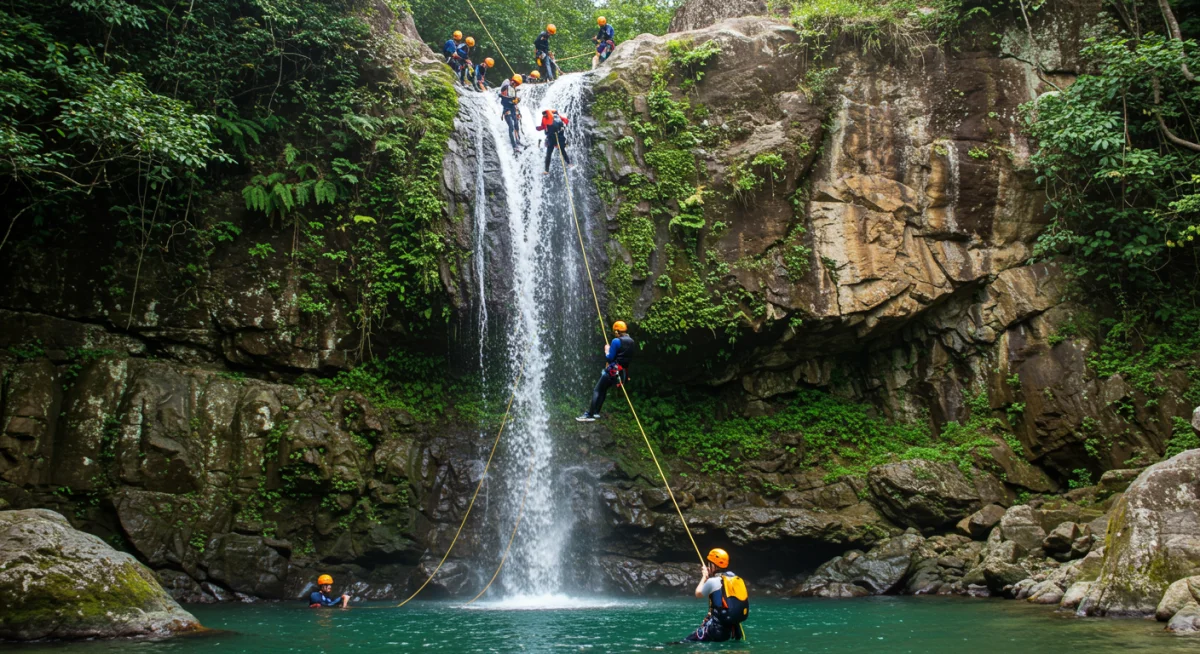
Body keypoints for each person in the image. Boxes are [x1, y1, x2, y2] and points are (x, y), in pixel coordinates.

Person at [685, 549, 749, 642]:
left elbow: (698, 593)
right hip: (734, 630)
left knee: (684, 642)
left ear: (713, 565)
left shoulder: (713, 581)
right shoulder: (735, 580)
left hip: (716, 630)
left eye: (709, 563)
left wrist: (704, 577)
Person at [576, 320, 632, 422]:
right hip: (621, 372)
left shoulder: (616, 341)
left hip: (612, 371)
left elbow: (610, 358)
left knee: (597, 390)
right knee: (604, 389)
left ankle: (590, 414)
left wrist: (607, 350)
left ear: (616, 331)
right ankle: (596, 412)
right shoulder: (631, 342)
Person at [537, 108, 571, 174]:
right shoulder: (557, 117)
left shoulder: (551, 118)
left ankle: (546, 170)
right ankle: (569, 163)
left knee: (550, 153)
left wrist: (537, 128)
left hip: (554, 137)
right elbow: (566, 121)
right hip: (554, 137)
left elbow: (543, 127)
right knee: (561, 150)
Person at [499, 74, 523, 149]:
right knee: (511, 126)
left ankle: (518, 140)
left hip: (512, 108)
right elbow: (504, 100)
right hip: (507, 109)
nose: (516, 85)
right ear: (513, 81)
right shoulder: (506, 87)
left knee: (516, 124)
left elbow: (513, 100)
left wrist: (516, 104)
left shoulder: (512, 88)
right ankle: (514, 145)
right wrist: (513, 101)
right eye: (515, 84)